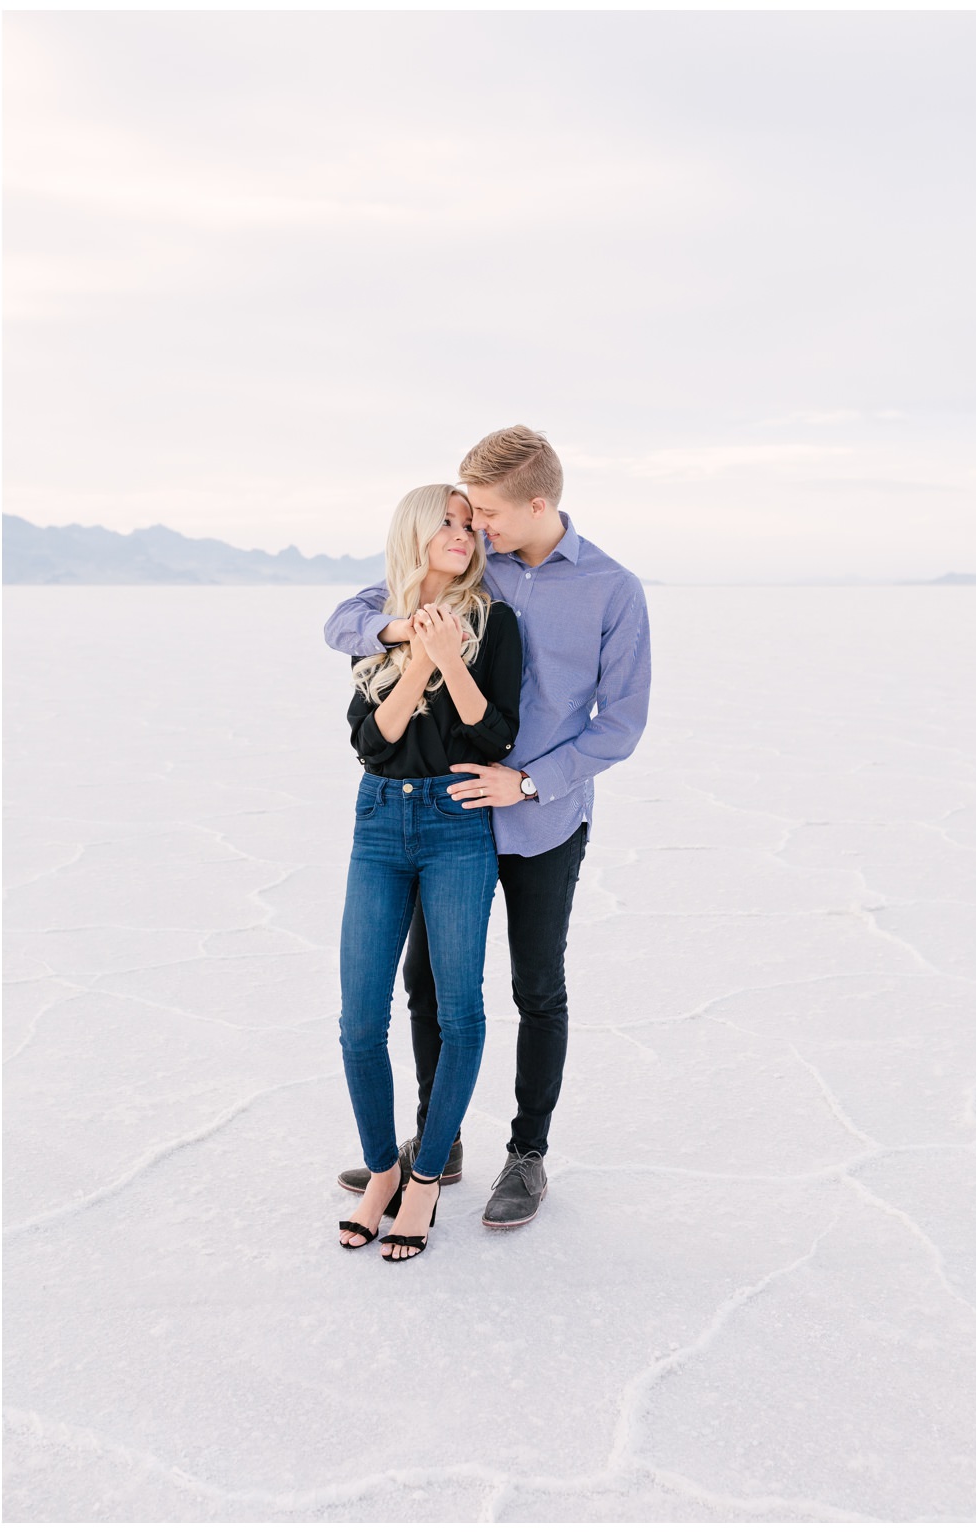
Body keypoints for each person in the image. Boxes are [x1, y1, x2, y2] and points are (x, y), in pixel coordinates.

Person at [328, 425, 651, 1230]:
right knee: (429, 986)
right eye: (464, 516)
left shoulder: (613, 588)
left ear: (539, 503)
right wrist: (401, 634)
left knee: (536, 987)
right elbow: (349, 619)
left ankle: (528, 1153)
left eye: (488, 516)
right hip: (450, 823)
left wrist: (530, 779)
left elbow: (623, 724)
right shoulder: (472, 564)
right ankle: (443, 1138)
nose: (475, 529)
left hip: (542, 819)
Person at [334, 484, 521, 1261]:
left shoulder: (494, 621)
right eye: (445, 522)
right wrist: (416, 656)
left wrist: (452, 657)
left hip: (456, 823)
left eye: (469, 524)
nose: (461, 534)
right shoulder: (377, 620)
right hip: (380, 818)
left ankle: (426, 1178)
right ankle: (382, 1168)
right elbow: (371, 742)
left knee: (460, 1012)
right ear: (415, 531)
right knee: (359, 1020)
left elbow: (497, 733)